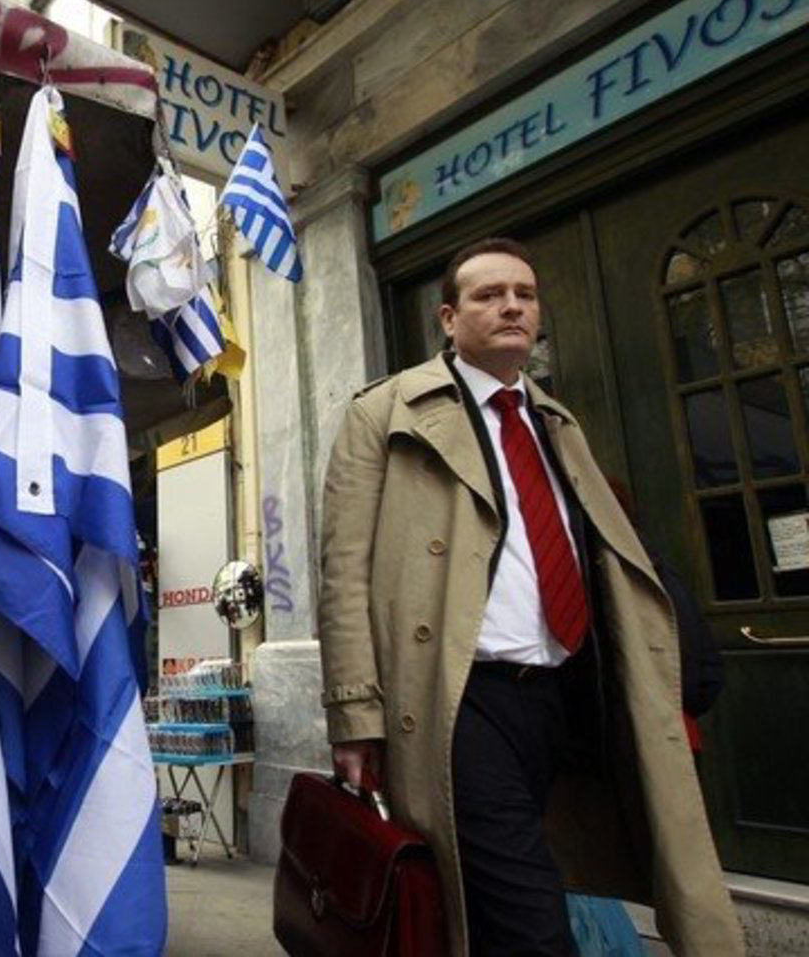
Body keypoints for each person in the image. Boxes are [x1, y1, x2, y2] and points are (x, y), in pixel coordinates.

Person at [315, 238, 744, 956]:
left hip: (567, 698)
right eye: (489, 295)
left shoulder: (556, 422)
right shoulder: (386, 412)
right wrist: (355, 713)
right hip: (462, 701)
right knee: (531, 926)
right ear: (448, 318)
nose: (512, 306)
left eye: (525, 294)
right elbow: (344, 569)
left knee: (515, 904)